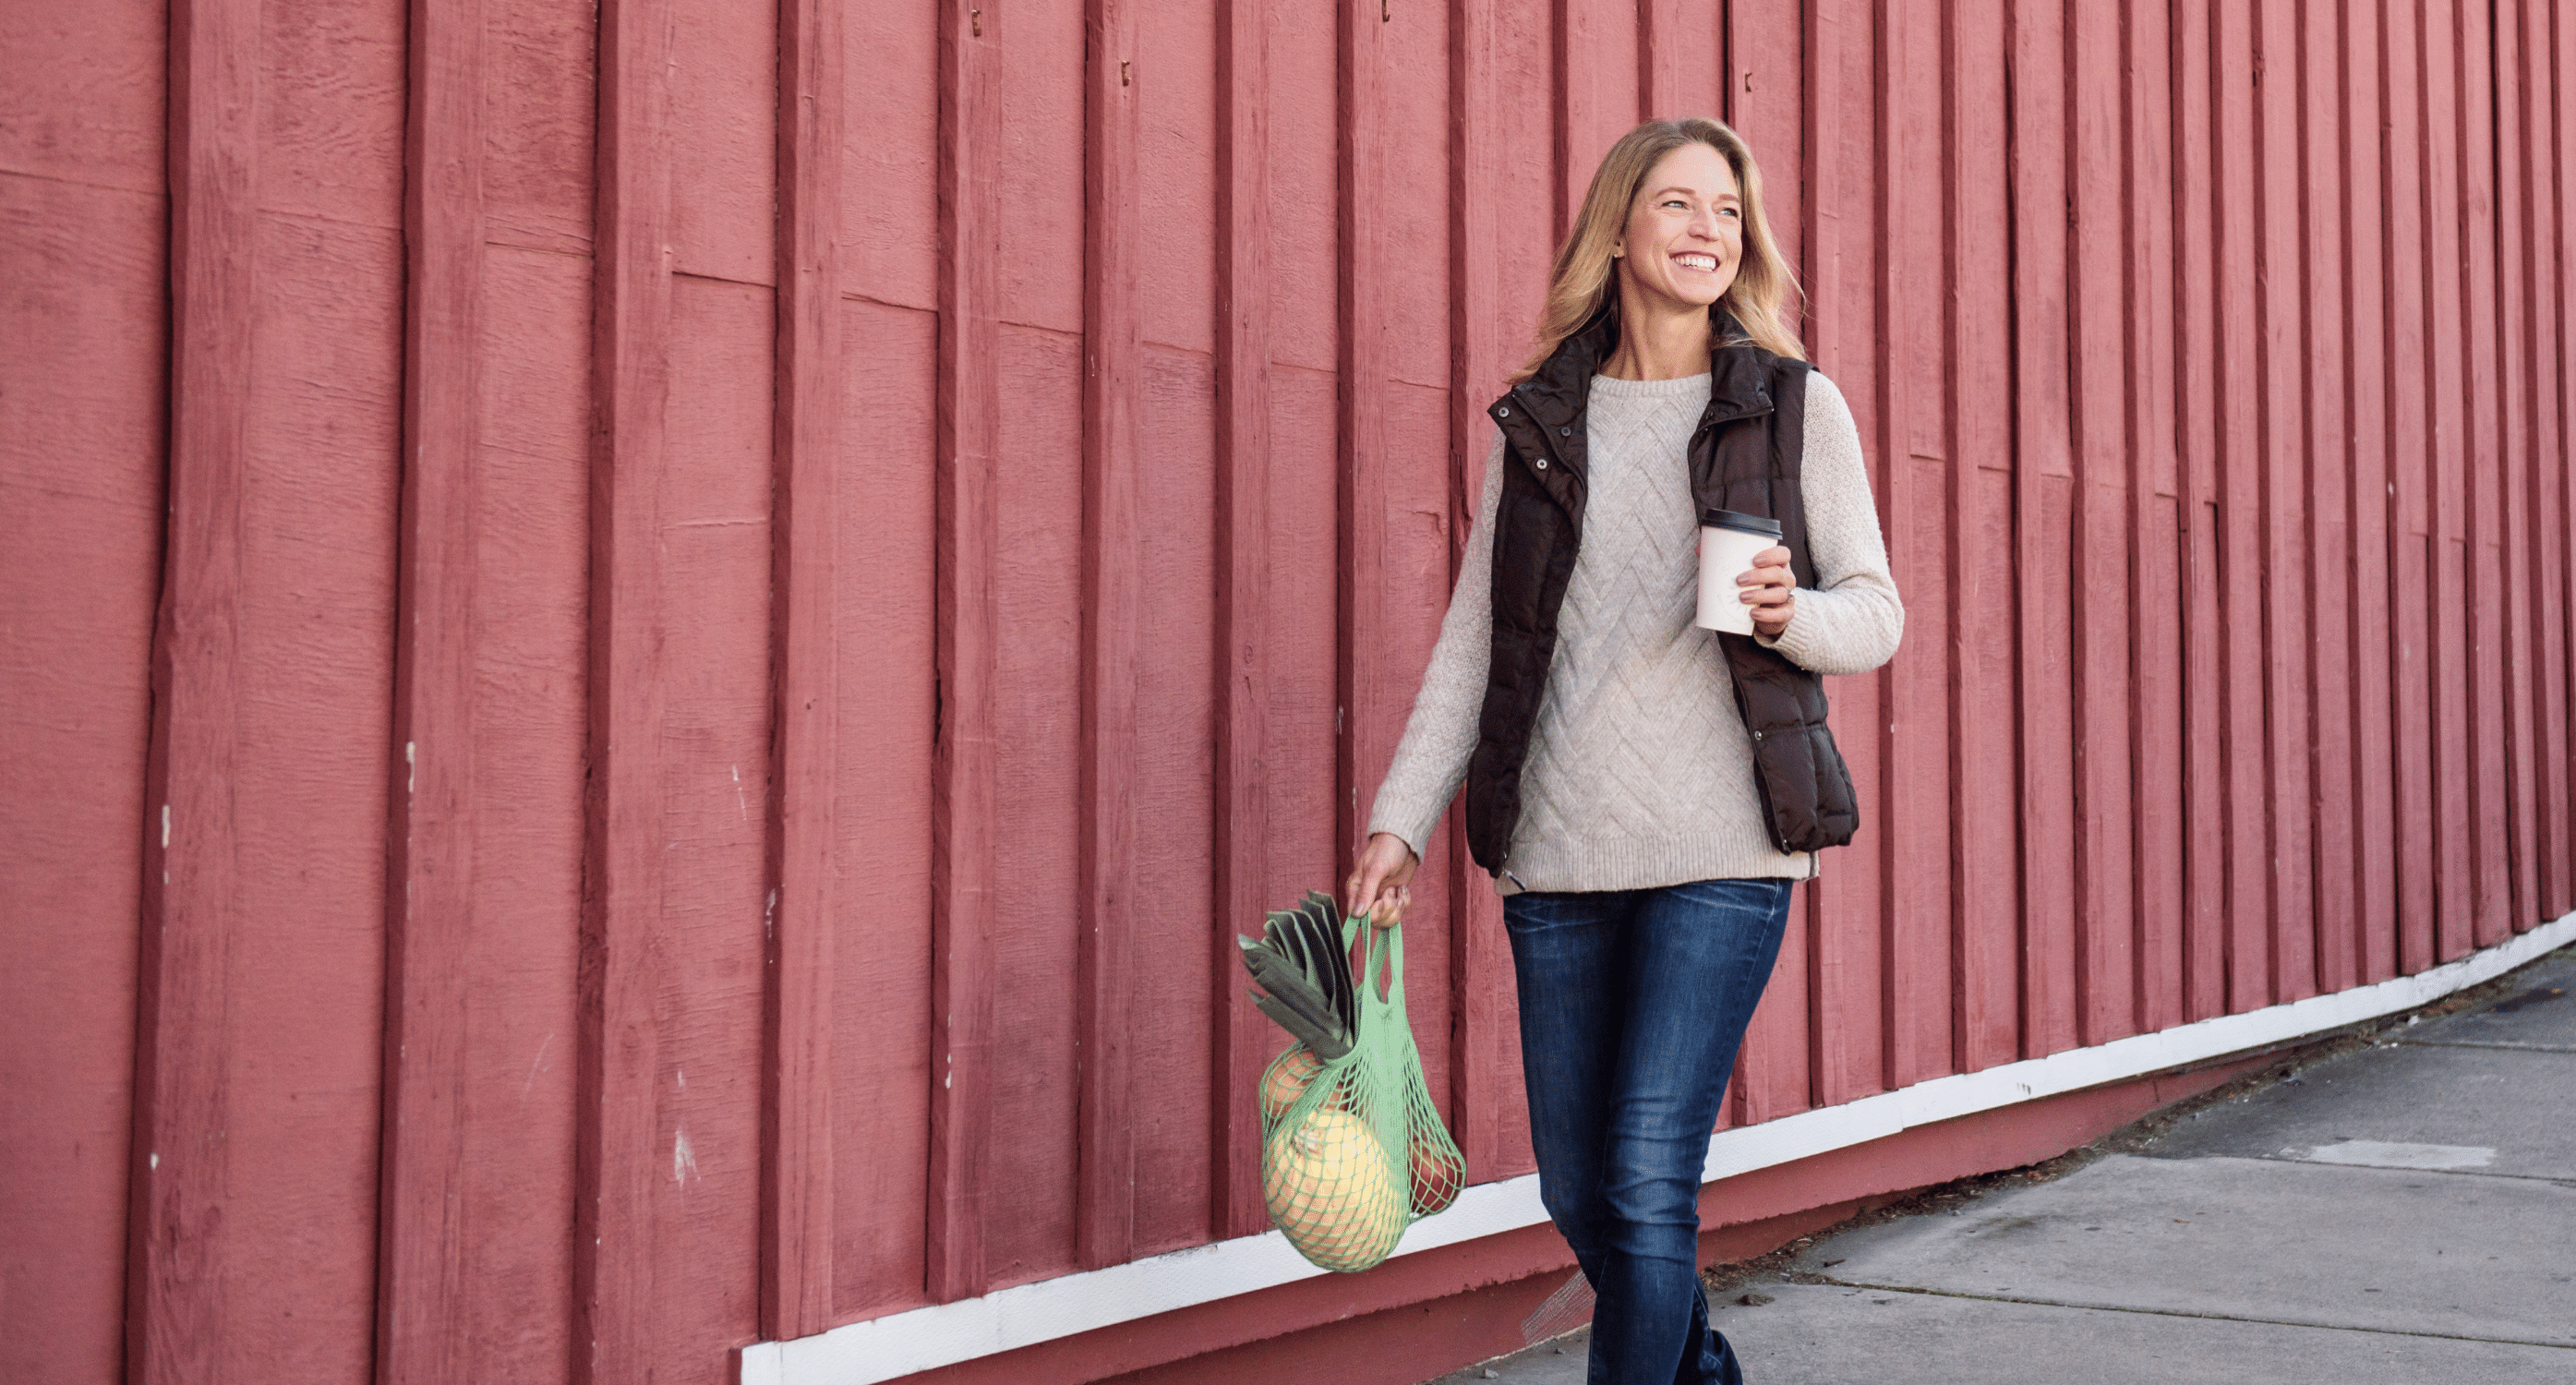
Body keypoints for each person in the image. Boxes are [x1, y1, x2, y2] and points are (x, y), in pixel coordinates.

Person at [1344, 118, 1902, 1384]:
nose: (1709, 230)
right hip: (1557, 845)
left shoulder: (1789, 405)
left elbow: (1874, 612)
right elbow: (1474, 645)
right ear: (1618, 227)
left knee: (1648, 1182)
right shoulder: (1541, 420)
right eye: (1678, 204)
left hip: (1721, 842)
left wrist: (1788, 614)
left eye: (1727, 211)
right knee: (1577, 1190)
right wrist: (1399, 821)